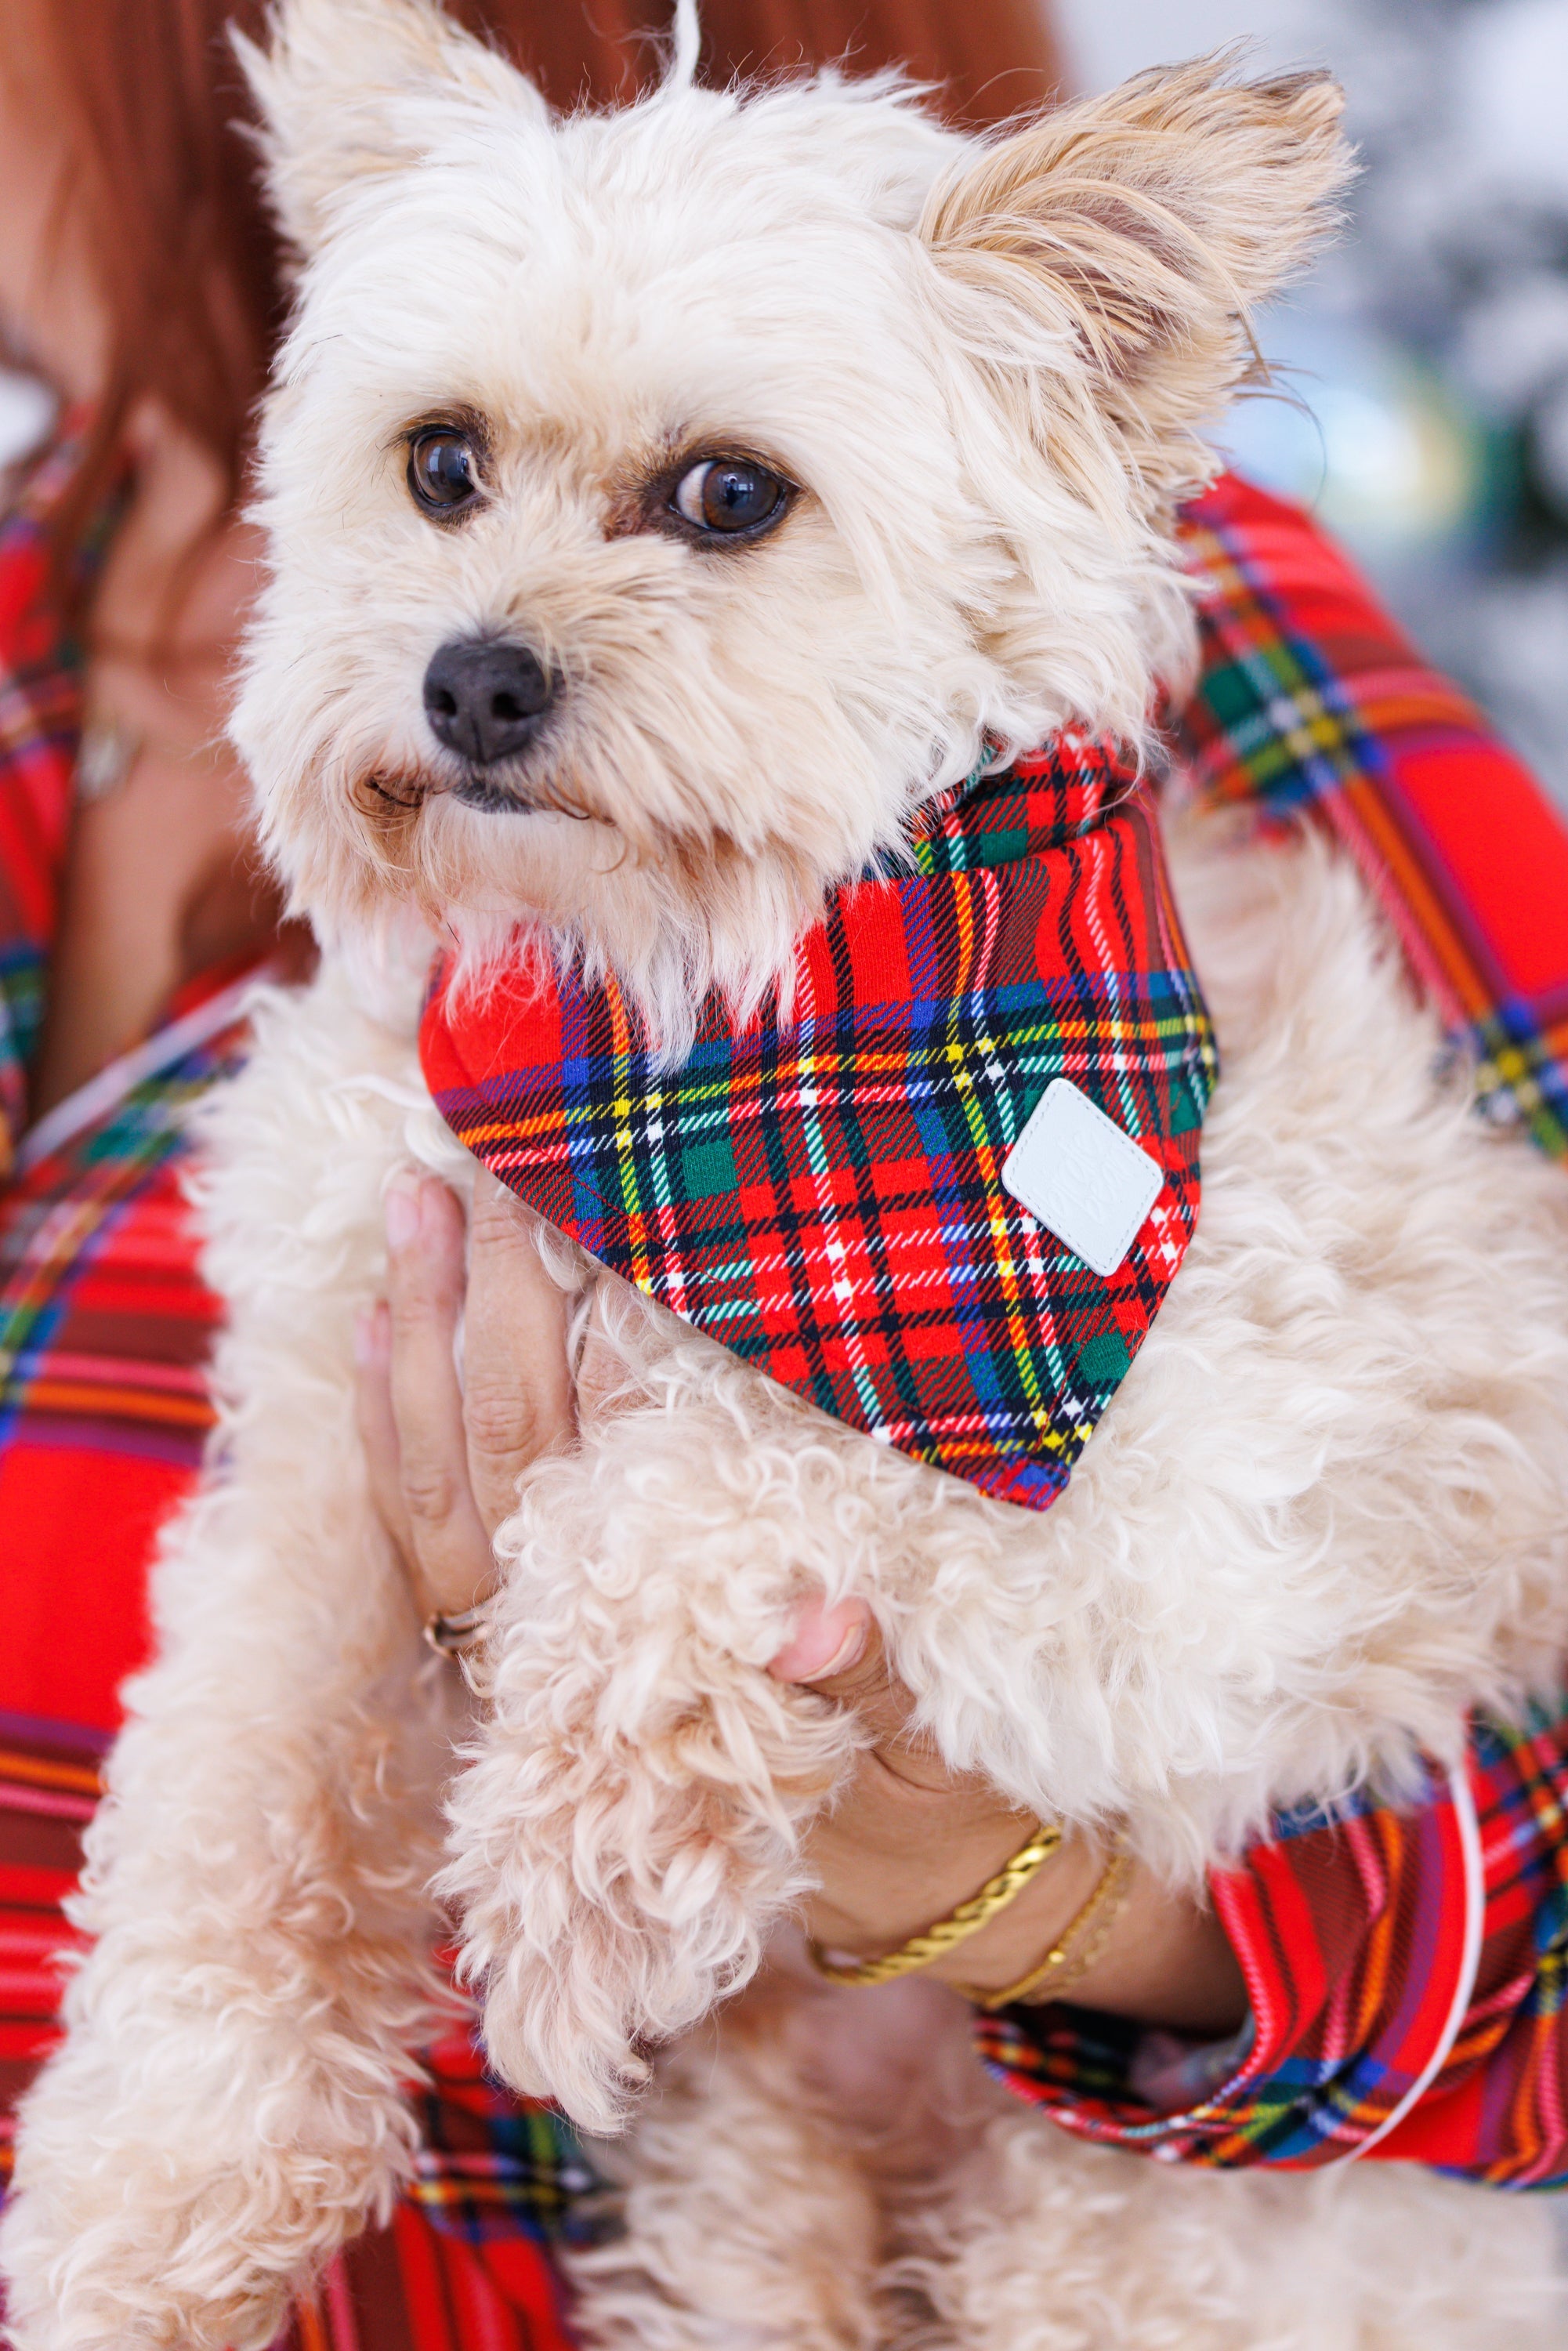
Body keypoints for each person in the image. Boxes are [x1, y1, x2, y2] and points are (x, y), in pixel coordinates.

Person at [2, 3, 1567, 2345]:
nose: (495, 637)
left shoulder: (1115, 768)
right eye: (442, 467)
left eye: (716, 501)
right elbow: (295, 1574)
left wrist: (998, 1903)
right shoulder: (63, 628)